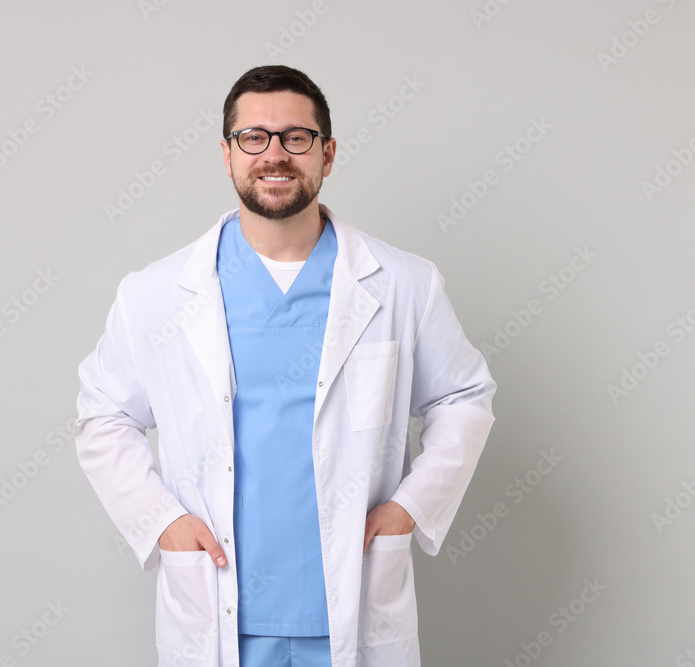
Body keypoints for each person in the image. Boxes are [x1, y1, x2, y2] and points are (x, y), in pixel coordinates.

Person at [73, 65, 497, 667]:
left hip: (352, 601)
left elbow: (464, 396)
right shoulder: (157, 293)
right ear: (227, 155)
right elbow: (103, 415)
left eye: (296, 137)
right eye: (254, 137)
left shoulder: (404, 283)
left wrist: (409, 509)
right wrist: (160, 520)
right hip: (218, 608)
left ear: (327, 153)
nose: (275, 154)